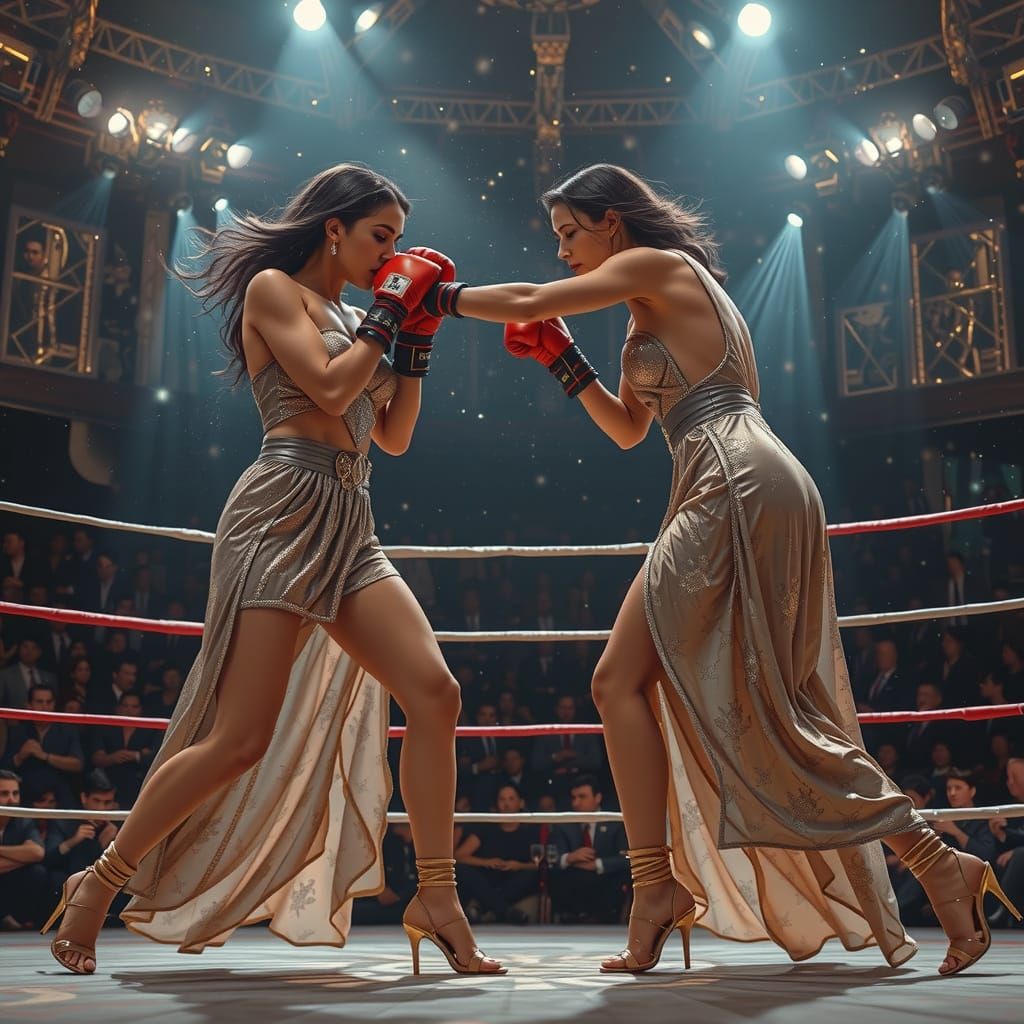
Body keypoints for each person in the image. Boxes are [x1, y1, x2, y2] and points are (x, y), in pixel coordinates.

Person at [417, 162, 1018, 975]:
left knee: (748, 703)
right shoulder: (643, 306)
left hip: (735, 478)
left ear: (612, 224)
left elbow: (523, 299)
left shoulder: (662, 268)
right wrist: (565, 361)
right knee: (634, 685)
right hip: (717, 479)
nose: (561, 250)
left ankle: (934, 864)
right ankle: (659, 887)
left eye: (569, 232)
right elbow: (631, 430)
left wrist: (432, 298)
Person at [41, 164, 503, 977]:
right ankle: (98, 881)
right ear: (335, 228)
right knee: (240, 738)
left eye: (397, 242)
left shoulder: (364, 315)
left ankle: (438, 897)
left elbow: (390, 435)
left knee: (437, 693)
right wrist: (390, 316)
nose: (389, 255)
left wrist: (417, 338)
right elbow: (327, 391)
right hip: (281, 512)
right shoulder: (272, 291)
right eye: (380, 237)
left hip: (351, 520)